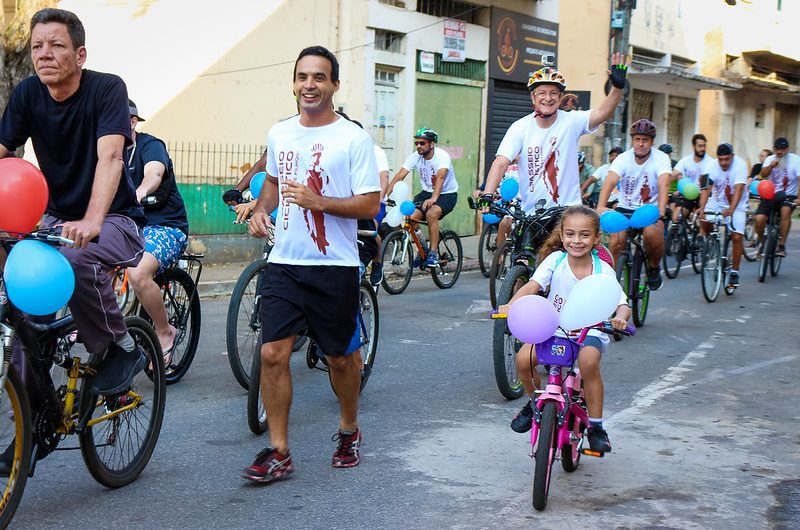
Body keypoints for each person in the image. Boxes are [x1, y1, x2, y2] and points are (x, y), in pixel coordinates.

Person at [243, 46, 380, 483]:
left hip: (334, 266)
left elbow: (370, 204)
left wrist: (318, 202)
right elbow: (273, 183)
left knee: (341, 360)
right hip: (284, 262)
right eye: (302, 76)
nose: (309, 85)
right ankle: (279, 450)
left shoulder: (352, 139)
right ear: (293, 83)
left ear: (334, 85)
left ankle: (348, 429)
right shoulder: (280, 133)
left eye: (319, 77)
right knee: (272, 353)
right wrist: (261, 210)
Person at [0, 8, 147, 396]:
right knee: (23, 304)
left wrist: (93, 220)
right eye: (37, 46)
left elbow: (111, 157)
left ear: (80, 55)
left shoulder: (107, 89)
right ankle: (33, 411)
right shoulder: (28, 93)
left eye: (56, 45)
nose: (44, 54)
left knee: (75, 258)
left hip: (115, 219)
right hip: (56, 219)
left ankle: (121, 345)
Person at [498, 206, 630, 453]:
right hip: (554, 327)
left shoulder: (603, 270)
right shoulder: (555, 260)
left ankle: (596, 427)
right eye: (570, 234)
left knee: (588, 363)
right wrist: (511, 304)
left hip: (589, 330)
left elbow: (621, 302)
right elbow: (532, 286)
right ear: (561, 235)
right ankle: (534, 401)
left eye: (584, 235)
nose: (576, 241)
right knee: (523, 360)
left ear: (596, 239)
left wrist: (620, 318)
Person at [480, 52, 630, 225]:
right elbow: (501, 162)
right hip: (531, 214)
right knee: (517, 241)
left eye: (553, 93)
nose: (548, 98)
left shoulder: (571, 121)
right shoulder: (519, 127)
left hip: (568, 212)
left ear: (560, 98)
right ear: (533, 97)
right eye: (542, 93)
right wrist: (488, 194)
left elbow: (603, 113)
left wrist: (617, 87)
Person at [125, 100, 190, 363]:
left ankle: (164, 332)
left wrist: (139, 192)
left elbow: (154, 173)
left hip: (166, 227)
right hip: (128, 226)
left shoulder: (150, 145)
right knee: (88, 264)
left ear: (132, 122)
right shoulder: (108, 150)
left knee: (138, 273)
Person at [596, 119, 672, 290]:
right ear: (632, 140)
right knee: (616, 241)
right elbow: (610, 181)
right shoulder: (623, 158)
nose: (640, 144)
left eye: (645, 140)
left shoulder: (661, 158)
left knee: (652, 235)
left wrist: (661, 209)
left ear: (652, 142)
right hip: (625, 208)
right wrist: (601, 206)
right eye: (637, 139)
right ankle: (611, 282)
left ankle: (653, 268)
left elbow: (664, 184)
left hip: (650, 210)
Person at [386, 128, 458, 266]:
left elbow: (440, 177)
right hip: (426, 193)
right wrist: (384, 197)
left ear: (432, 144)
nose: (418, 146)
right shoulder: (415, 157)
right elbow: (400, 176)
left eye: (422, 143)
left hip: (447, 194)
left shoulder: (442, 156)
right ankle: (423, 248)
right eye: (417, 143)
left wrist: (434, 198)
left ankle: (433, 253)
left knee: (431, 214)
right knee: (411, 217)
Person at [698, 143, 748, 287]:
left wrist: (731, 210)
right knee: (704, 217)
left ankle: (734, 272)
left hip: (737, 205)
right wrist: (702, 207)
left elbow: (739, 190)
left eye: (727, 159)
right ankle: (709, 240)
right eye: (721, 159)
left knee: (736, 236)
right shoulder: (711, 166)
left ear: (732, 157)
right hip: (718, 202)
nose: (723, 163)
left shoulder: (740, 165)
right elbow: (705, 188)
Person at [757, 137, 799, 257]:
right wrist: (771, 166)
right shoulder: (770, 159)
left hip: (788, 195)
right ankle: (762, 242)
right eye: (777, 149)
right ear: (774, 149)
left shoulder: (795, 160)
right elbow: (762, 174)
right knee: (759, 219)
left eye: (783, 149)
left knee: (785, 211)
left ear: (787, 149)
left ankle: (781, 245)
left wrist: (799, 198)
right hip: (770, 194)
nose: (780, 151)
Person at [670, 134, 714, 223]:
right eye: (700, 146)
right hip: (688, 195)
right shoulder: (685, 161)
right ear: (693, 146)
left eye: (704, 146)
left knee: (704, 220)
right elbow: (674, 174)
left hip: (704, 195)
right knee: (676, 218)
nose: (703, 148)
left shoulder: (711, 162)